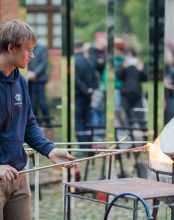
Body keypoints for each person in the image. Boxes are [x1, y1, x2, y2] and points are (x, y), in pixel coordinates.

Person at [0, 19, 75, 220]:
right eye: (28, 50)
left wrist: (50, 150)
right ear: (10, 47)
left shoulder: (20, 82)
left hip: (18, 175)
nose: (32, 56)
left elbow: (28, 124)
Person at [74, 41, 98, 156]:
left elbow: (76, 80)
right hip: (89, 95)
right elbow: (94, 77)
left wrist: (84, 90)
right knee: (88, 120)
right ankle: (89, 146)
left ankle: (83, 146)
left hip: (79, 95)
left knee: (78, 120)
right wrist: (91, 90)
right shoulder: (88, 60)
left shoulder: (75, 61)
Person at [27, 43, 52, 138]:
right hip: (29, 79)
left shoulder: (42, 48)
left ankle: (48, 124)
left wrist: (35, 74)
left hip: (39, 79)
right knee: (31, 103)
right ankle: (36, 125)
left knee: (42, 102)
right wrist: (27, 73)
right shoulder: (26, 47)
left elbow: (43, 63)